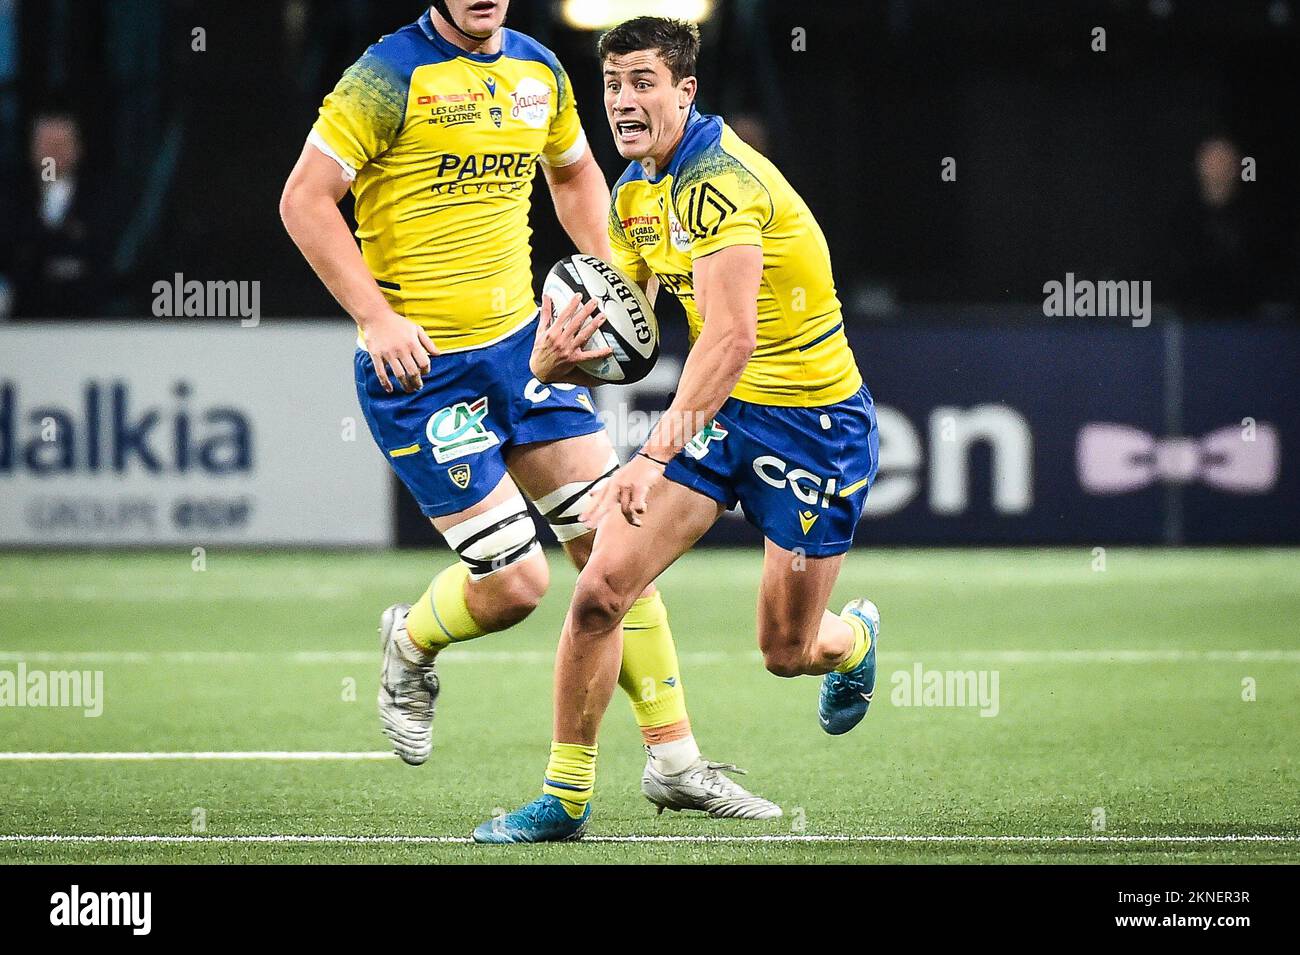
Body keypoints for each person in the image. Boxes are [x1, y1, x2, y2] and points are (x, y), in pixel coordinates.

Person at [279, 1, 778, 819]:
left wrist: (613, 282)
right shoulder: (385, 76)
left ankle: (676, 759)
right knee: (516, 585)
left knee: (615, 552)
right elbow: (304, 199)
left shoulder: (539, 70)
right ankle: (409, 640)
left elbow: (576, 172)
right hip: (422, 369)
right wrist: (375, 316)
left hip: (526, 351)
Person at [474, 17, 881, 844]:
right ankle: (564, 797)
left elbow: (732, 338)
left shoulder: (719, 184)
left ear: (684, 92)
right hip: (722, 418)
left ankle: (855, 640)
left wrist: (649, 455)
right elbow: (630, 336)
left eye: (643, 83)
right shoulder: (633, 192)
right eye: (613, 84)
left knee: (786, 648)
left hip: (813, 429)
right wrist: (554, 365)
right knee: (598, 595)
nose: (623, 100)